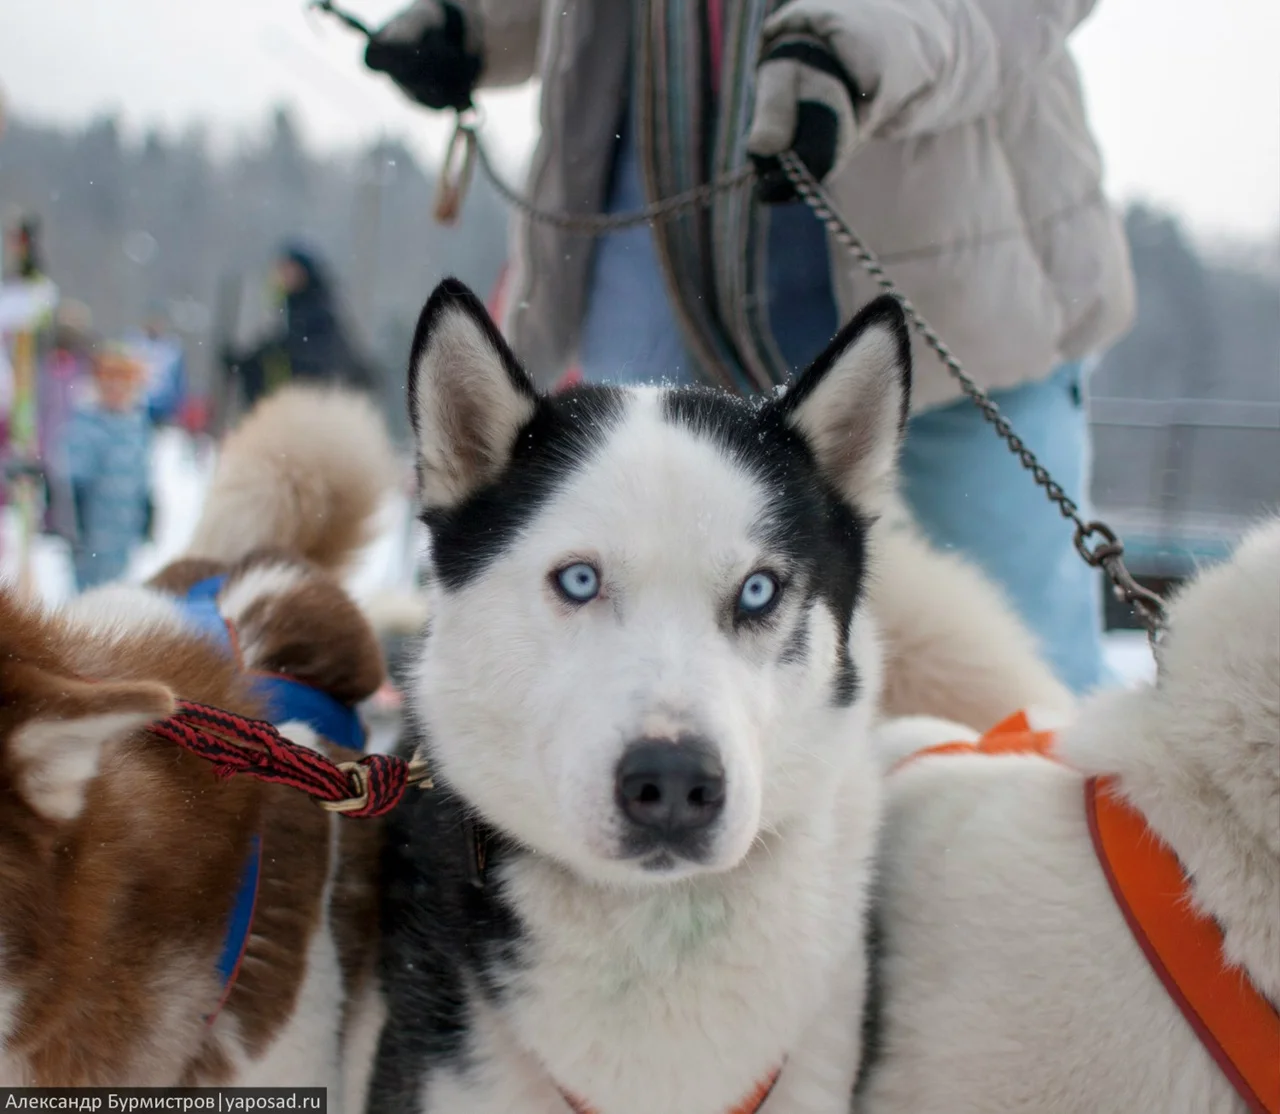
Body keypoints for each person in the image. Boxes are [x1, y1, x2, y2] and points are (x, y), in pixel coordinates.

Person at [364, 0, 1136, 693]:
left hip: (944, 251)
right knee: (619, 627)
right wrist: (479, 24)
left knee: (1023, 674)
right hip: (658, 238)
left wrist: (860, 44)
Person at [221, 243, 377, 409]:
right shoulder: (296, 307)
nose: (282, 277)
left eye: (289, 270)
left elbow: (307, 351)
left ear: (304, 273)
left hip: (317, 399)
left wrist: (250, 362)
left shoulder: (317, 310)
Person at [66, 347, 153, 590]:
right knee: (86, 589)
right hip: (91, 530)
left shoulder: (137, 426)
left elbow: (142, 474)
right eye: (109, 381)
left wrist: (148, 507)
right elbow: (75, 476)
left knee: (115, 587)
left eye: (123, 382)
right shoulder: (86, 424)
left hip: (123, 529)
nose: (116, 389)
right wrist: (74, 520)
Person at [123, 304, 188, 426]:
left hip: (161, 405)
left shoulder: (171, 350)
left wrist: (178, 408)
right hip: (136, 401)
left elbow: (178, 382)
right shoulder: (134, 343)